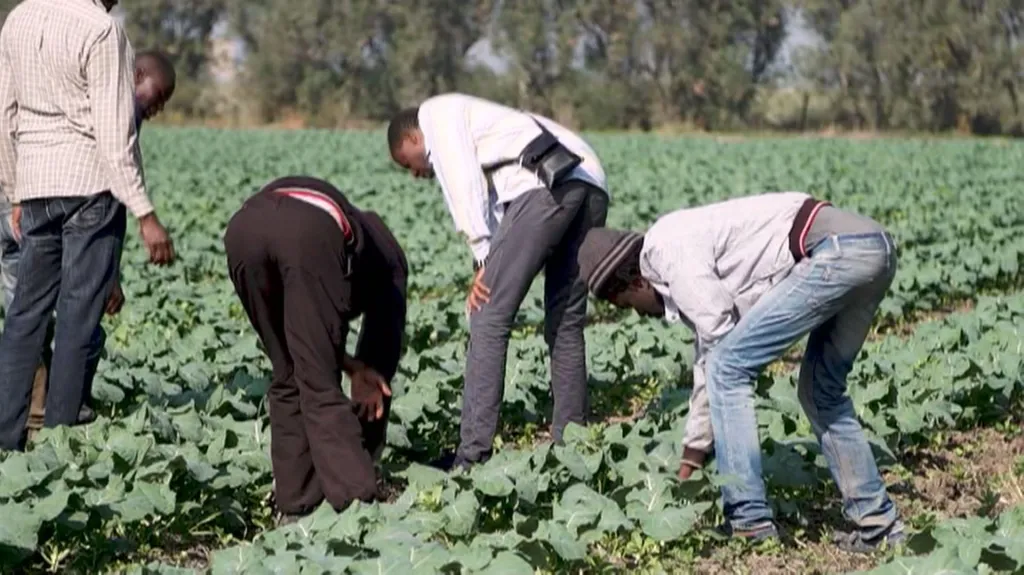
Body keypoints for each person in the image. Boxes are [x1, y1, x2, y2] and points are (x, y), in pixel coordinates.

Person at [576, 192, 906, 552]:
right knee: (820, 391)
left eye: (627, 305)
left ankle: (748, 520)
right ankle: (879, 527)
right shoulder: (679, 252)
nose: (638, 314)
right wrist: (694, 451)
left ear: (635, 282)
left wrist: (694, 451)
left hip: (835, 252)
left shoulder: (663, 248)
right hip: (873, 247)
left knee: (729, 369)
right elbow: (713, 349)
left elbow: (719, 349)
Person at [387, 93, 609, 470]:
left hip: (544, 186)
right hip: (590, 184)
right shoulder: (488, 121)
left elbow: (461, 178)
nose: (413, 173)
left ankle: (471, 455)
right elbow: (497, 206)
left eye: (406, 163)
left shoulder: (435, 114)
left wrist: (481, 254)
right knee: (566, 320)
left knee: (487, 315)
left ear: (411, 139)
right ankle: (572, 442)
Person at [0, 0, 175, 452]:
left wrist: (15, 189)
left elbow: (5, 114)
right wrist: (145, 214)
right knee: (78, 321)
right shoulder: (102, 30)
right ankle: (59, 448)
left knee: (24, 316)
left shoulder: (19, 18)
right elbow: (115, 135)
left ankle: (5, 440)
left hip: (36, 183)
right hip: (89, 187)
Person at [223, 176, 408, 524]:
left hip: (243, 229)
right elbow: (387, 324)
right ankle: (358, 506)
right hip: (308, 233)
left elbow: (305, 337)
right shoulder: (390, 260)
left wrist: (355, 366)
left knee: (288, 371)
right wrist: (372, 370)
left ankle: (295, 504)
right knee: (321, 386)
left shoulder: (363, 238)